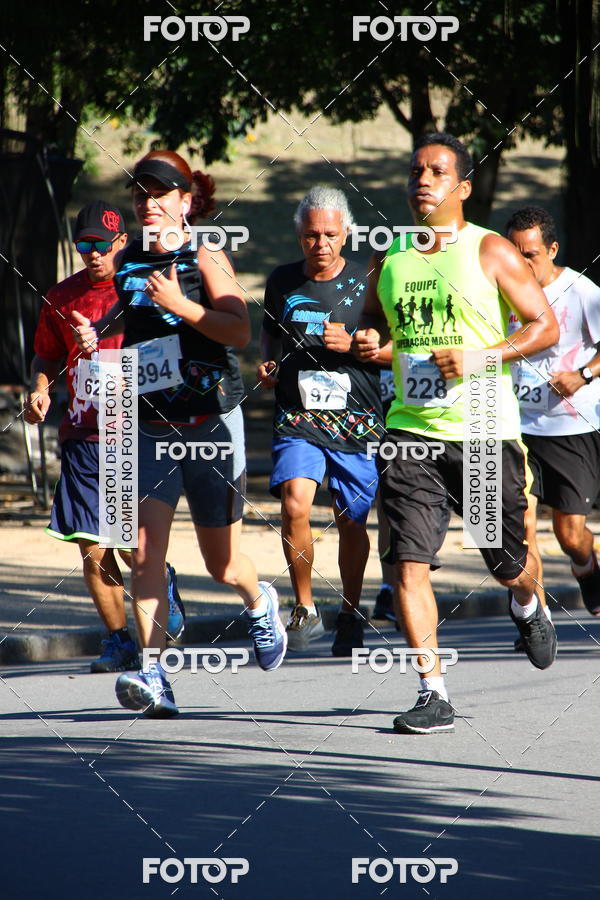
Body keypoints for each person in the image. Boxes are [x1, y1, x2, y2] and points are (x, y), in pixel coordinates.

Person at [353, 133, 560, 734]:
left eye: (437, 171)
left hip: (484, 434)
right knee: (409, 562)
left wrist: (481, 358)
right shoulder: (390, 254)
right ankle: (432, 691)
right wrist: (372, 340)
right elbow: (372, 318)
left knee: (504, 560)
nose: (423, 178)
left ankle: (529, 601)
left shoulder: (491, 250)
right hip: (409, 431)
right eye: (416, 169)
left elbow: (542, 326)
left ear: (462, 187)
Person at [73, 152, 286, 718]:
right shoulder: (127, 261)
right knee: (146, 552)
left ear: (186, 203)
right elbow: (131, 320)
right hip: (150, 426)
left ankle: (259, 599)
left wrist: (183, 306)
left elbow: (239, 330)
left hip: (210, 423)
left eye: (162, 194)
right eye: (142, 195)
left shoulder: (205, 253)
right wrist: (98, 337)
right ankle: (153, 675)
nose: (150, 204)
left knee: (222, 563)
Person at [24, 201, 185, 673]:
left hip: (135, 429)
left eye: (103, 245)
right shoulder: (61, 296)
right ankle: (118, 641)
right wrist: (39, 390)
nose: (93, 254)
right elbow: (45, 356)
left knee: (136, 548)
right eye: (84, 245)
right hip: (83, 432)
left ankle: (161, 578)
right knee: (92, 545)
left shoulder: (143, 288)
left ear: (121, 243)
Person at [257, 185, 386, 655]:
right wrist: (267, 365)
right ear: (299, 236)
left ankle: (351, 610)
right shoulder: (281, 281)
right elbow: (270, 336)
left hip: (357, 417)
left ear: (347, 233)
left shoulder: (369, 279)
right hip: (298, 414)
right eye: (312, 235)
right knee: (294, 503)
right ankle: (305, 608)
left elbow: (390, 344)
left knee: (351, 521)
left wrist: (354, 343)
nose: (322, 244)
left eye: (331, 235)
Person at [506, 206, 600, 619]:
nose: (523, 263)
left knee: (569, 532)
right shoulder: (499, 290)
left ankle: (589, 566)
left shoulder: (582, 291)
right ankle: (536, 618)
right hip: (515, 425)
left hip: (571, 426)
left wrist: (583, 373)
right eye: (515, 253)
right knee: (519, 527)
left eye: (531, 254)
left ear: (552, 249)